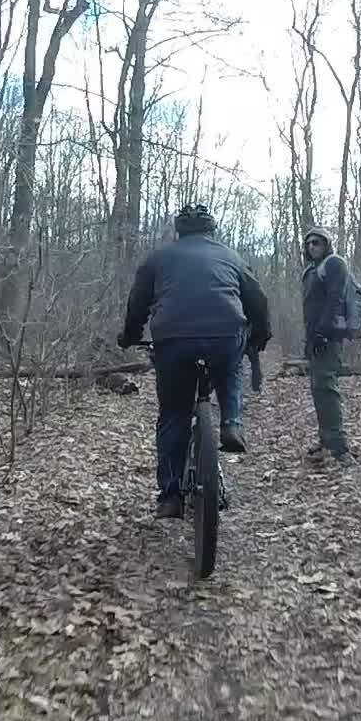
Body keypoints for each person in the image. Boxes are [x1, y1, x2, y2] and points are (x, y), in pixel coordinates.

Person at [118, 204, 271, 518]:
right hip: (225, 334)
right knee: (229, 370)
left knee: (174, 414)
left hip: (173, 339)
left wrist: (130, 335)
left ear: (179, 230)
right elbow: (257, 299)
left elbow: (138, 303)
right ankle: (231, 423)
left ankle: (170, 497)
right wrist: (259, 336)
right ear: (211, 229)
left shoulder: (157, 258)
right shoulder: (231, 257)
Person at [300, 229, 354, 463]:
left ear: (326, 244)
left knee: (327, 389)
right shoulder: (312, 270)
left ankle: (340, 449)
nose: (312, 246)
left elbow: (335, 298)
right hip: (315, 338)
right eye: (309, 243)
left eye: (317, 242)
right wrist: (311, 338)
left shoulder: (334, 264)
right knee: (319, 389)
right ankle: (326, 441)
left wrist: (323, 332)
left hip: (329, 338)